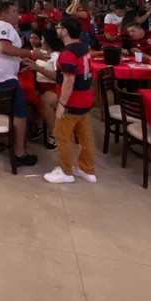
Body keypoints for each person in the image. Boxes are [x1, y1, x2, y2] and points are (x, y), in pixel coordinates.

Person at [0, 1, 38, 167]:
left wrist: (20, 58)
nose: (17, 14)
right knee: (20, 113)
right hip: (3, 77)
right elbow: (5, 48)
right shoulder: (4, 26)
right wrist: (33, 52)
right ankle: (19, 153)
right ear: (4, 13)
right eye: (14, 11)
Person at [44, 18, 97, 184]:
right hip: (86, 98)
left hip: (72, 101)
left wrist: (61, 105)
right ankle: (86, 168)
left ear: (65, 31)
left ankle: (65, 170)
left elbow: (68, 81)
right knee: (85, 136)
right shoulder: (84, 48)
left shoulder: (68, 54)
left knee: (61, 134)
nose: (57, 29)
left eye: (59, 27)